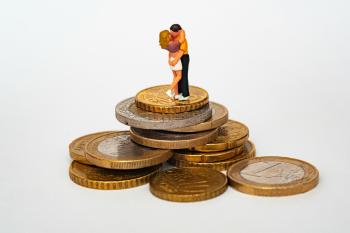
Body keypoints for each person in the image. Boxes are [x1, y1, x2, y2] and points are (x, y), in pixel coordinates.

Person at [159, 30, 184, 100]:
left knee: (175, 77)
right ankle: (170, 89)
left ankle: (176, 95)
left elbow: (170, 53)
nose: (171, 35)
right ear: (167, 37)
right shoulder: (173, 44)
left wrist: (169, 59)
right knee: (179, 76)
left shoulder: (165, 45)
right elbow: (182, 40)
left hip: (171, 60)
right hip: (176, 60)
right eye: (169, 34)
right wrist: (181, 32)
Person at [169, 24, 190, 100]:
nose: (171, 33)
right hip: (176, 58)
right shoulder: (173, 38)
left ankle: (185, 95)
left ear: (178, 32)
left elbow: (181, 51)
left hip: (183, 57)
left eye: (173, 32)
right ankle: (178, 92)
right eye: (170, 32)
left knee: (183, 76)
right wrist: (171, 59)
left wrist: (175, 60)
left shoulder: (182, 39)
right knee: (177, 76)